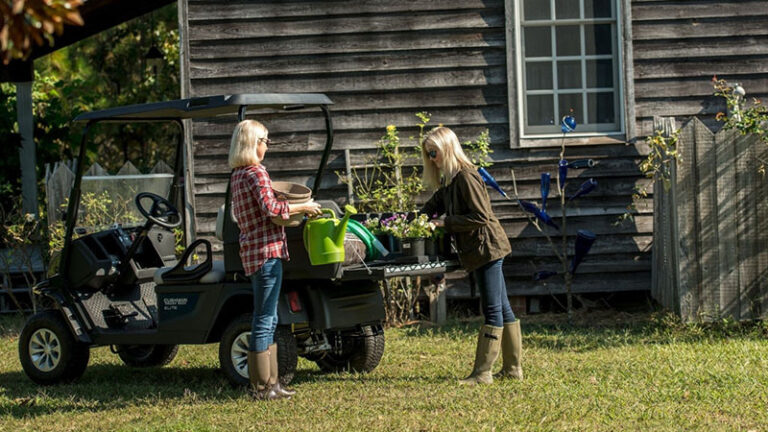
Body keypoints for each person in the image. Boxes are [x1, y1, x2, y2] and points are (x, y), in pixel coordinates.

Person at [419, 127, 523, 385]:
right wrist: (416, 218)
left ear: (447, 148)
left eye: (434, 152)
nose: (432, 159)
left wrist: (443, 224)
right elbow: (435, 204)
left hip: (487, 247)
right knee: (503, 307)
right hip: (481, 249)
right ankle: (512, 370)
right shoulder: (451, 179)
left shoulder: (466, 176)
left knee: (492, 309)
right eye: (428, 154)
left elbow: (480, 217)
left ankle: (482, 373)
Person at [228, 119, 321, 400]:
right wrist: (303, 205)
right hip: (267, 251)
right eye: (265, 141)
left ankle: (271, 384)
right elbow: (271, 210)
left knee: (264, 317)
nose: (266, 146)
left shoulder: (238, 175)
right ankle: (263, 387)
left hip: (252, 251)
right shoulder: (256, 173)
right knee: (266, 318)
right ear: (254, 143)